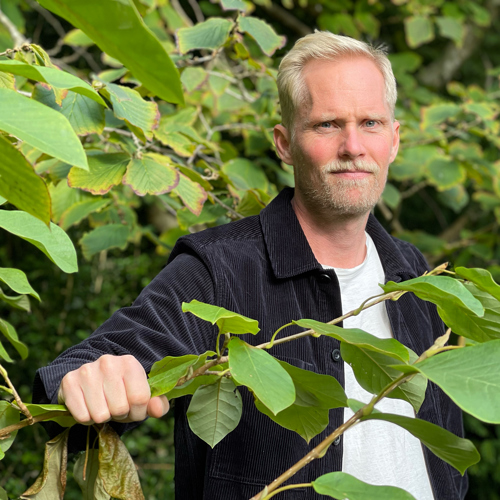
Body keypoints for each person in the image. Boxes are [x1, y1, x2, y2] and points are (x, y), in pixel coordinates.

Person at [34, 31, 466, 499]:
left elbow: (445, 448)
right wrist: (86, 383)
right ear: (284, 143)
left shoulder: (418, 276)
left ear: (395, 140)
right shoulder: (218, 270)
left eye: (371, 123)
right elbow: (83, 375)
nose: (353, 146)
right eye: (326, 125)